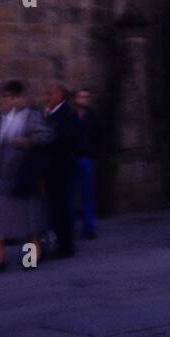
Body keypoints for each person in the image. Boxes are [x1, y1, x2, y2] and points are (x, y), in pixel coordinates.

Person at [0, 80, 49, 274]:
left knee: (29, 220)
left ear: (19, 98)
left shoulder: (31, 117)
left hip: (24, 176)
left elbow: (47, 136)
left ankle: (31, 257)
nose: (6, 100)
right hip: (1, 178)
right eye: (3, 97)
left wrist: (28, 141)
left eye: (10, 96)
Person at [43, 83, 80, 258]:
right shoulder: (54, 114)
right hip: (53, 168)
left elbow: (62, 138)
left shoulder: (66, 114)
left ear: (59, 96)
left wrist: (46, 125)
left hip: (61, 168)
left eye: (50, 94)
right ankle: (61, 242)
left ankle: (66, 245)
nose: (47, 98)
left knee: (62, 207)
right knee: (56, 207)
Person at [72, 88, 100, 240]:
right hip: (71, 158)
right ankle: (71, 226)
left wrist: (92, 150)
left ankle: (89, 226)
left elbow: (97, 135)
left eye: (86, 97)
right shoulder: (70, 115)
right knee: (71, 193)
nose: (84, 99)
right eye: (81, 97)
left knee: (87, 193)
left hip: (85, 156)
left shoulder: (91, 116)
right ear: (75, 99)